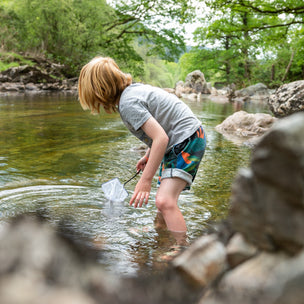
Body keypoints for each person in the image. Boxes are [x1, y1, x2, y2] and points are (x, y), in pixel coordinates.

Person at [78, 57, 206, 243]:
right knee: (164, 199)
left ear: (100, 91)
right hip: (184, 138)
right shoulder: (133, 92)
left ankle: (181, 248)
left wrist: (145, 180)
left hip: (186, 140)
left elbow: (161, 138)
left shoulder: (128, 104)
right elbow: (162, 125)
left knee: (164, 201)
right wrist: (148, 155)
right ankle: (160, 231)